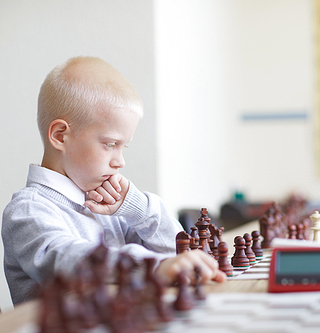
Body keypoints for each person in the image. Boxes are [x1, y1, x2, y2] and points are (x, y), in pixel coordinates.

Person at [2, 56, 225, 305]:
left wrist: (139, 208)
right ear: (60, 136)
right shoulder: (28, 211)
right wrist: (152, 266)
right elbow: (70, 260)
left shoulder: (106, 205)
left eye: (123, 147)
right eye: (110, 144)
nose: (120, 162)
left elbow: (177, 252)